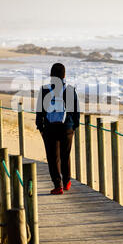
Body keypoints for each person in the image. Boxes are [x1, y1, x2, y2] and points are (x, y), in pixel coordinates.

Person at [36, 63, 80, 195]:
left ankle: (58, 185)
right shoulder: (70, 90)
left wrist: (40, 127)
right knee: (65, 155)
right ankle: (67, 182)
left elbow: (40, 111)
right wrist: (74, 126)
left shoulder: (44, 89)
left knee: (53, 157)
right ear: (64, 75)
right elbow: (76, 111)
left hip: (50, 127)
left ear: (51, 75)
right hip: (67, 128)